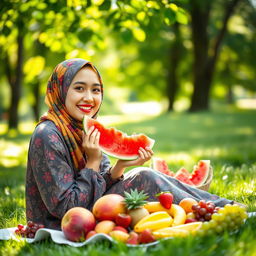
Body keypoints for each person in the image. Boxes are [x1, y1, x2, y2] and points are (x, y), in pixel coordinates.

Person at [26, 58, 234, 230]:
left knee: (143, 174)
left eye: (96, 90)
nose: (89, 98)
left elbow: (101, 186)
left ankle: (223, 209)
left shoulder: (83, 128)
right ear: (59, 91)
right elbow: (67, 207)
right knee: (146, 177)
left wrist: (120, 166)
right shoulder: (47, 134)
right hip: (64, 224)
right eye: (79, 88)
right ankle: (222, 211)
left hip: (93, 209)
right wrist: (92, 162)